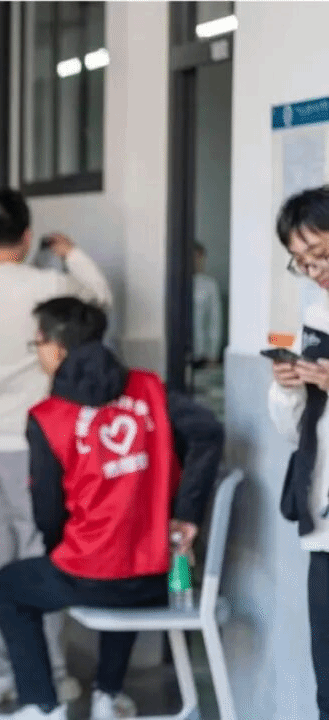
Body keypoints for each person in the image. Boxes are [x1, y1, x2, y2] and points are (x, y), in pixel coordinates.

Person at [0, 296, 222, 720]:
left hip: (89, 574)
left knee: (8, 587)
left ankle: (42, 706)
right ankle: (107, 696)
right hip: (155, 574)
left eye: (38, 342)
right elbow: (208, 432)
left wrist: (61, 550)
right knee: (127, 564)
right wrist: (187, 513)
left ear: (58, 348)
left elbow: (47, 511)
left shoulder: (48, 415)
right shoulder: (151, 389)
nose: (38, 352)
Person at [0, 188, 113, 704]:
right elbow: (99, 303)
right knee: (41, 559)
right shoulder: (47, 285)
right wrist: (71, 253)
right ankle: (50, 672)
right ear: (26, 235)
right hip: (33, 444)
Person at [268, 185, 329, 720]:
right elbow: (298, 434)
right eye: (302, 262)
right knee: (326, 686)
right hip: (324, 527)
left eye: (321, 255)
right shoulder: (315, 312)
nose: (313, 271)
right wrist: (288, 388)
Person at [192, 242, 223, 367]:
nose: (198, 261)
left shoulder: (209, 285)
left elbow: (215, 321)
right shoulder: (176, 282)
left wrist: (213, 354)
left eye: (201, 257)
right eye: (195, 257)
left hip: (201, 354)